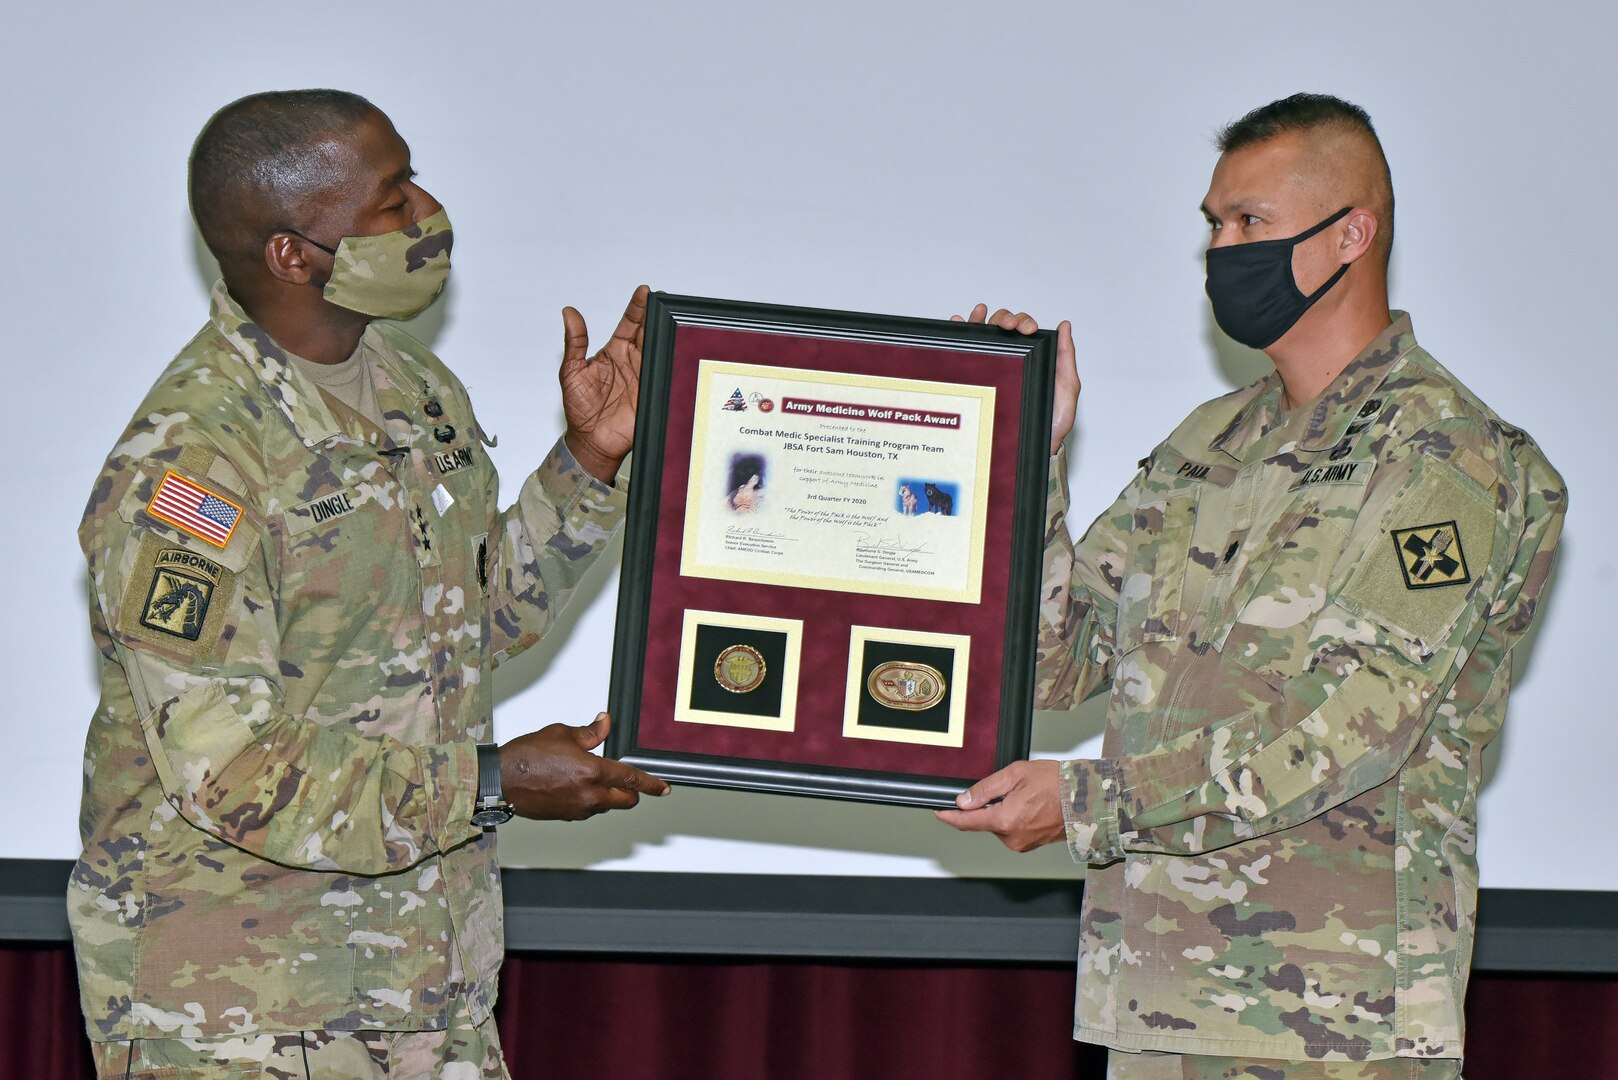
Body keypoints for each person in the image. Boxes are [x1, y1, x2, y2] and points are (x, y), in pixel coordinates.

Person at [938, 94, 1567, 1078]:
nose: (1221, 251)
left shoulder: (1449, 459)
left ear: (1351, 233)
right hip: (1161, 999)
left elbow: (1348, 730)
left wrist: (1089, 805)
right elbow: (1056, 666)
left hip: (1332, 1022)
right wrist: (1021, 464)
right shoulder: (1204, 444)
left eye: (1250, 224)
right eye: (1212, 226)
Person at [68, 89, 669, 1079]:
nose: (426, 212)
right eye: (391, 202)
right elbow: (229, 773)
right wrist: (490, 781)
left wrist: (590, 462)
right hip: (241, 1006)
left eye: (412, 179)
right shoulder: (191, 467)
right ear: (292, 253)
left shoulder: (412, 386)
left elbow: (468, 622)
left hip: (421, 979)